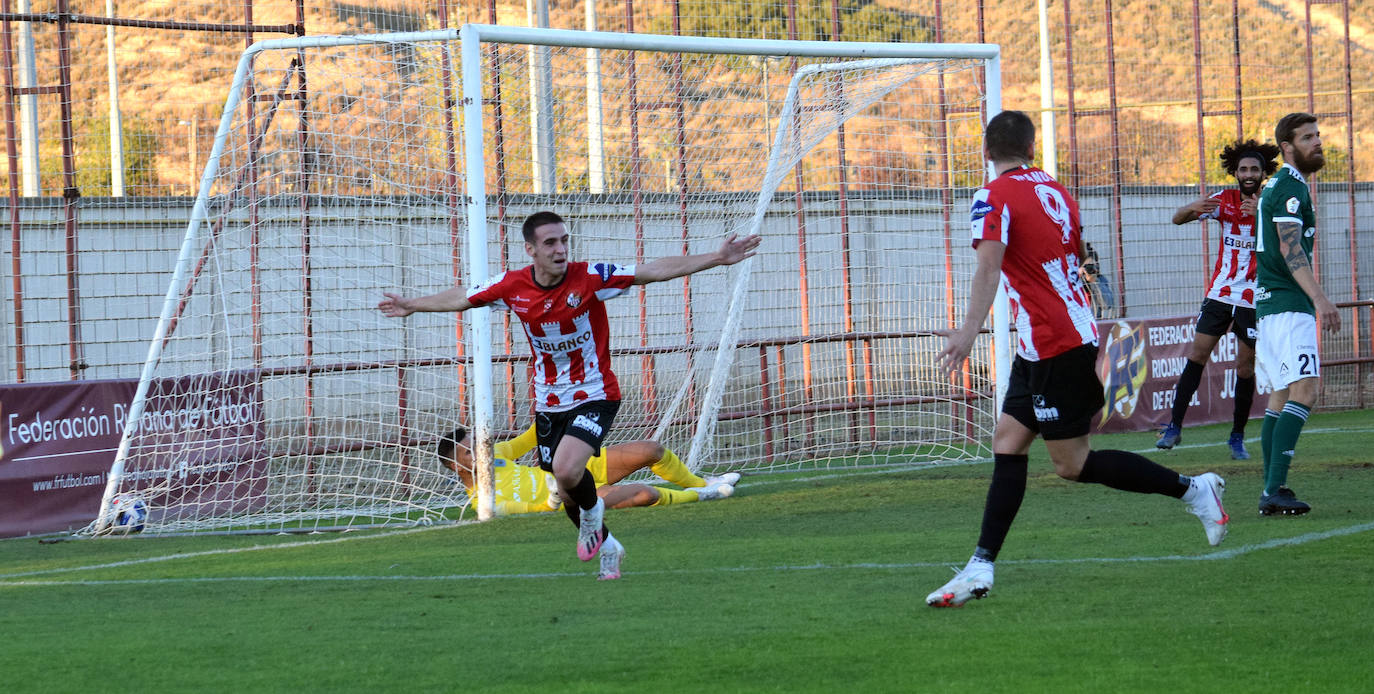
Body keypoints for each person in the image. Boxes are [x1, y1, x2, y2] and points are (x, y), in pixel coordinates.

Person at [925, 110, 1229, 608]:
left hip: (1054, 341)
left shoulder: (993, 196)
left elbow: (989, 266)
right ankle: (980, 567)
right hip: (1050, 337)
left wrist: (967, 331)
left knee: (1071, 464)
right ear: (1031, 146)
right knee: (1007, 440)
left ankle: (1194, 490)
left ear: (986, 153)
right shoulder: (1057, 191)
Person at [379, 210, 759, 580]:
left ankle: (602, 516)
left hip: (596, 393)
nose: (560, 249)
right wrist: (411, 305)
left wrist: (716, 258)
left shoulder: (590, 277)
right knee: (567, 492)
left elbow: (651, 271)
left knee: (566, 468)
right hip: (549, 402)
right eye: (550, 243)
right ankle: (607, 546)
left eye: (564, 240)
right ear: (531, 249)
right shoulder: (512, 287)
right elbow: (464, 296)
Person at [1157, 139, 1281, 459]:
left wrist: (1265, 215)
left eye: (1254, 169)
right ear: (1235, 173)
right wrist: (1191, 208)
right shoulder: (1222, 201)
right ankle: (1174, 427)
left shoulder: (1272, 202)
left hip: (1254, 298)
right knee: (1198, 354)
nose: (1249, 174)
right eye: (1243, 169)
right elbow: (1177, 219)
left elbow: (1285, 248)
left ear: (1263, 172)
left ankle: (1237, 437)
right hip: (1221, 292)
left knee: (1244, 366)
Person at [1253, 113, 1340, 516]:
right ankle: (1273, 489)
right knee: (1305, 390)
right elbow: (1292, 251)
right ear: (1287, 147)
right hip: (1288, 306)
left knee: (1280, 395)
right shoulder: (1289, 188)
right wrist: (1320, 299)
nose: (1317, 142)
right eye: (1307, 137)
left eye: (1317, 135)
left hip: (1269, 307)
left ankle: (1273, 488)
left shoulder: (1281, 186)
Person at [436, 424, 740, 515]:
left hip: (573, 466)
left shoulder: (498, 455)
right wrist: (553, 500)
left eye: (477, 445)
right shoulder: (483, 502)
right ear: (454, 466)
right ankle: (703, 496)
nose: (480, 452)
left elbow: (530, 437)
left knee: (651, 450)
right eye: (468, 452)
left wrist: (552, 407)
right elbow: (533, 508)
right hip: (569, 494)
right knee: (645, 494)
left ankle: (702, 482)